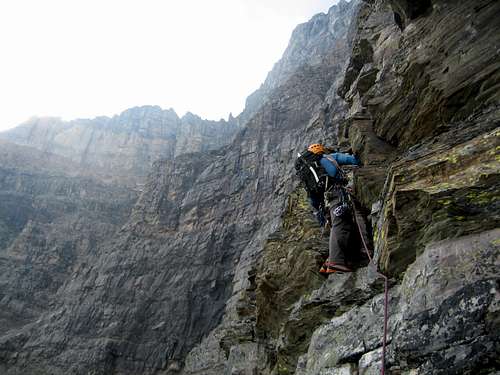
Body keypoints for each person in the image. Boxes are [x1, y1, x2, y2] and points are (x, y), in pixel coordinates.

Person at [296, 143, 369, 274]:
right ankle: (337, 262)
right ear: (321, 150)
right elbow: (350, 160)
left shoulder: (311, 172)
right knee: (342, 225)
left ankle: (332, 260)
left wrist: (321, 212)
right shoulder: (329, 158)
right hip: (338, 195)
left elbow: (313, 198)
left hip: (326, 204)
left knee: (339, 226)